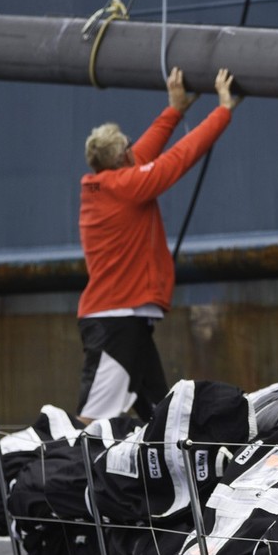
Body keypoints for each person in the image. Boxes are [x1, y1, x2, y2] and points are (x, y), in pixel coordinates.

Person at [76, 67, 241, 424]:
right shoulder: (126, 187)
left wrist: (175, 110)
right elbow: (177, 159)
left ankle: (164, 479)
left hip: (128, 320)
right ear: (121, 159)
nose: (134, 151)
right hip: (115, 323)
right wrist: (223, 110)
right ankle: (65, 477)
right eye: (128, 149)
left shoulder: (109, 185)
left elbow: (146, 155)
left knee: (161, 418)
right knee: (92, 422)